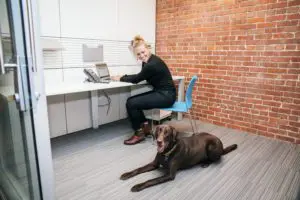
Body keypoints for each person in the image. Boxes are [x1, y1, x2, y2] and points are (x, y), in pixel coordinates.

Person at [111, 35, 176, 145]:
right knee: (132, 101)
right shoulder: (149, 61)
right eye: (138, 54)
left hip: (166, 96)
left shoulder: (152, 64)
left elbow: (136, 79)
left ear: (148, 49)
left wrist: (120, 78)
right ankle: (145, 127)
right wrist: (124, 76)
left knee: (131, 103)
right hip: (163, 93)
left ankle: (139, 134)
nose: (141, 55)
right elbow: (140, 75)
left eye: (143, 52)